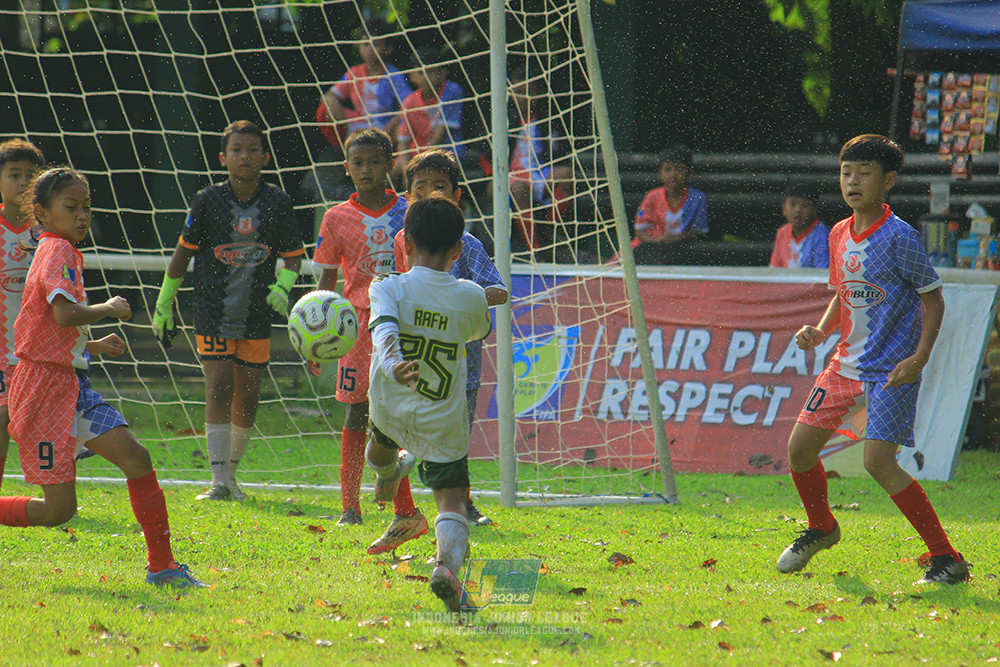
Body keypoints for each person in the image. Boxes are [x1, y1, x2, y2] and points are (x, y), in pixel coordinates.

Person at [777, 134, 969, 585]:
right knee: (799, 451)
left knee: (878, 463)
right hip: (843, 365)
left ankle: (947, 559)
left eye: (864, 172)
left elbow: (935, 301)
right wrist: (821, 331)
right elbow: (845, 294)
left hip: (891, 371)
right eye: (846, 172)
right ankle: (822, 527)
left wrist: (919, 358)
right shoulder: (839, 232)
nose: (852, 181)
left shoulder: (900, 237)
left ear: (889, 180)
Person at [0, 167, 204, 588]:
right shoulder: (55, 250)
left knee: (136, 457)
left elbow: (43, 329)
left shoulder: (63, 250)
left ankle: (162, 567)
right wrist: (109, 308)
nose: (82, 216)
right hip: (41, 391)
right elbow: (63, 314)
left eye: (87, 207)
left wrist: (91, 347)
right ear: (40, 213)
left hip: (71, 386)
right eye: (70, 207)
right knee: (58, 512)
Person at [153, 120, 305, 501]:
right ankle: (218, 480)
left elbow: (294, 257)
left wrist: (283, 288)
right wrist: (164, 301)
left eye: (252, 149)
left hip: (256, 313)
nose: (245, 156)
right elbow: (183, 252)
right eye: (237, 150)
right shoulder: (207, 200)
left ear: (265, 157)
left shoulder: (278, 202)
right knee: (219, 384)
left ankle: (232, 477)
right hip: (212, 309)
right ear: (224, 158)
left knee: (249, 393)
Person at [371, 149, 507, 554]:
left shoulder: (466, 244)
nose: (431, 193)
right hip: (417, 355)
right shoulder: (402, 240)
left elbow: (496, 290)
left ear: (457, 194)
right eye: (421, 188)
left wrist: (454, 304)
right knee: (417, 439)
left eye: (440, 187)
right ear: (405, 197)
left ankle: (458, 502)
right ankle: (424, 524)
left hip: (447, 360)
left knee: (439, 444)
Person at [366, 194, 491, 612]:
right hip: (442, 417)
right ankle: (447, 568)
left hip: (390, 404)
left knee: (377, 451)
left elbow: (383, 328)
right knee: (451, 499)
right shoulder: (471, 296)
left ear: (404, 245)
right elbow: (475, 332)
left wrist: (395, 362)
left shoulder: (387, 286)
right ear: (458, 251)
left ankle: (388, 468)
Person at [311, 127, 415, 532]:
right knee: (357, 412)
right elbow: (327, 283)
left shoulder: (409, 210)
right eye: (358, 162)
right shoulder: (336, 217)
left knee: (397, 416)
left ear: (390, 165)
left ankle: (401, 506)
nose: (366, 169)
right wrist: (317, 338)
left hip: (402, 326)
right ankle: (349, 506)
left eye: (374, 161)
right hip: (357, 328)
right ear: (347, 168)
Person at [0, 138, 44, 492]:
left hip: (37, 352)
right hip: (0, 352)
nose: (23, 183)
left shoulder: (46, 233)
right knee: (1, 418)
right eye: (15, 175)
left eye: (31, 176)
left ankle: (55, 492)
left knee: (38, 423)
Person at [315, 17, 411, 152]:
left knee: (406, 126)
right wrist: (341, 117)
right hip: (358, 123)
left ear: (388, 48)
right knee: (325, 109)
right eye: (366, 44)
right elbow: (329, 95)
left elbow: (409, 106)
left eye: (376, 45)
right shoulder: (354, 73)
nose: (370, 49)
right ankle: (341, 148)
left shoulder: (394, 75)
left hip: (385, 126)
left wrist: (389, 126)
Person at [508, 68, 572, 260]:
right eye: (518, 91)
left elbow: (559, 152)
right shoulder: (504, 119)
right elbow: (486, 155)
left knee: (567, 174)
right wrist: (490, 176)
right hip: (514, 176)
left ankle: (551, 234)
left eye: (529, 91)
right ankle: (534, 249)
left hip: (540, 173)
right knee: (518, 190)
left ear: (537, 93)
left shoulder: (548, 118)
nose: (524, 97)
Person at [393, 47, 465, 183]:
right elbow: (403, 142)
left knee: (430, 173)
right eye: (421, 72)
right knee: (391, 172)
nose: (426, 77)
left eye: (431, 71)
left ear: (442, 73)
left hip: (447, 151)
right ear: (412, 76)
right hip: (418, 152)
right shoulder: (409, 102)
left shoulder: (452, 91)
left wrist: (417, 164)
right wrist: (405, 172)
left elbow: (439, 135)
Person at [630, 145, 708, 264]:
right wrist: (656, 241)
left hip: (678, 249)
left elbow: (699, 231)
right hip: (650, 247)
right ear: (660, 173)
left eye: (679, 169)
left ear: (689, 173)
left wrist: (679, 237)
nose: (673, 174)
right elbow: (640, 231)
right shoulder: (652, 196)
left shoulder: (698, 198)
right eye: (668, 169)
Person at [769, 182, 829, 268]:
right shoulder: (782, 232)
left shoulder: (822, 235)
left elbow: (823, 274)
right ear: (784, 209)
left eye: (805, 205)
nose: (798, 210)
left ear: (815, 210)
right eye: (792, 204)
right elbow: (774, 270)